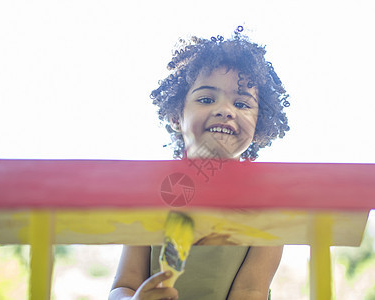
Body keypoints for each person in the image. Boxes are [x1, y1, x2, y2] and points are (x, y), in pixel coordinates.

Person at [109, 26, 291, 300]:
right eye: (206, 99)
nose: (225, 110)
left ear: (259, 122)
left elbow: (251, 289)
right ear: (176, 116)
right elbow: (123, 284)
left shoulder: (268, 202)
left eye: (242, 104)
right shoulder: (151, 193)